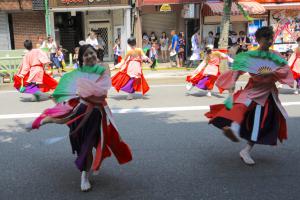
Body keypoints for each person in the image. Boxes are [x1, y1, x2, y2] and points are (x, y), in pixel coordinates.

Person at [25, 44, 133, 192]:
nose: (89, 56)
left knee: (87, 145)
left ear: (96, 53)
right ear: (81, 59)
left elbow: (101, 91)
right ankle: (39, 123)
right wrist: (76, 92)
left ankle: (84, 177)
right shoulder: (78, 73)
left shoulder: (103, 67)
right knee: (62, 118)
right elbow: (72, 91)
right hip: (80, 108)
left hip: (95, 113)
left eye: (91, 53)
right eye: (86, 55)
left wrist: (84, 91)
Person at [205, 27, 294, 165]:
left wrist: (272, 73)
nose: (269, 41)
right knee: (240, 108)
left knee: (260, 123)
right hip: (253, 89)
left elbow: (284, 70)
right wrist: (231, 82)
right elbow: (237, 70)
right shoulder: (250, 56)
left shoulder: (276, 55)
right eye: (266, 39)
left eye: (271, 38)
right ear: (258, 40)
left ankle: (245, 149)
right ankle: (234, 129)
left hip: (268, 93)